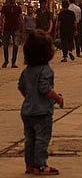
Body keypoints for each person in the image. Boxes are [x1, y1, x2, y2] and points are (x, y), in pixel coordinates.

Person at [18, 29, 64, 175]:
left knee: (29, 140)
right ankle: (40, 165)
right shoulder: (45, 70)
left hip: (27, 111)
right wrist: (57, 98)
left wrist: (30, 97)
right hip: (42, 112)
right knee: (42, 139)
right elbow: (45, 89)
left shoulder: (26, 71)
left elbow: (21, 87)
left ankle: (29, 165)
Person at [1, 0, 23, 68]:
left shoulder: (18, 8)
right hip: (7, 28)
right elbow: (2, 18)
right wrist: (1, 26)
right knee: (5, 46)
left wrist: (21, 28)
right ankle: (6, 60)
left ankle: (13, 62)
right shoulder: (5, 8)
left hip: (16, 29)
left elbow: (20, 18)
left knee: (16, 45)